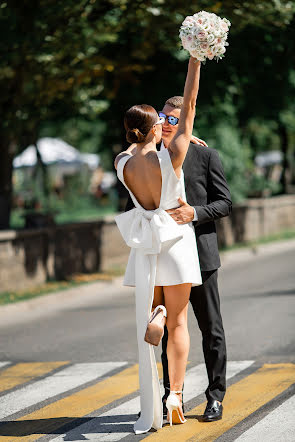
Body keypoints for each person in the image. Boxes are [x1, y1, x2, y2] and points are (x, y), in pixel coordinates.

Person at [114, 57, 202, 434]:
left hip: (145, 243)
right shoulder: (173, 156)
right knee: (182, 323)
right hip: (176, 238)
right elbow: (190, 101)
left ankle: (157, 313)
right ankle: (176, 395)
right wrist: (195, 59)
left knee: (154, 320)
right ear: (156, 129)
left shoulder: (121, 163)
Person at [158, 95, 232, 422]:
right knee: (169, 330)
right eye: (163, 117)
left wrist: (194, 213)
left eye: (173, 119)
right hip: (168, 259)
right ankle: (172, 397)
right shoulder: (150, 158)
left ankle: (216, 397)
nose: (165, 123)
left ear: (186, 120)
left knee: (211, 329)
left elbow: (225, 203)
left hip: (202, 257)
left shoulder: (205, 156)